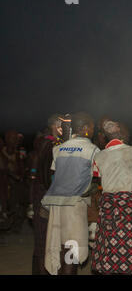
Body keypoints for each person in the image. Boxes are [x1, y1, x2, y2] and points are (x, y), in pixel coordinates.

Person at [91, 119, 132, 274]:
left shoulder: (99, 156)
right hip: (127, 205)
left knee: (109, 243)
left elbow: (96, 175)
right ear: (121, 133)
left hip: (107, 205)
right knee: (126, 244)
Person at [41, 112, 100, 275]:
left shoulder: (58, 149)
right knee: (71, 250)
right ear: (85, 129)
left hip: (55, 205)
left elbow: (56, 174)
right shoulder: (92, 149)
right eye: (93, 127)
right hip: (73, 205)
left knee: (59, 246)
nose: (94, 130)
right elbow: (96, 177)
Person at [29, 114, 64, 274]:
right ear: (55, 125)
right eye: (62, 124)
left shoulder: (54, 143)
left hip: (47, 192)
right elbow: (37, 170)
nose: (64, 127)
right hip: (43, 193)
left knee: (48, 238)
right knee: (43, 238)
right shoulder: (46, 142)